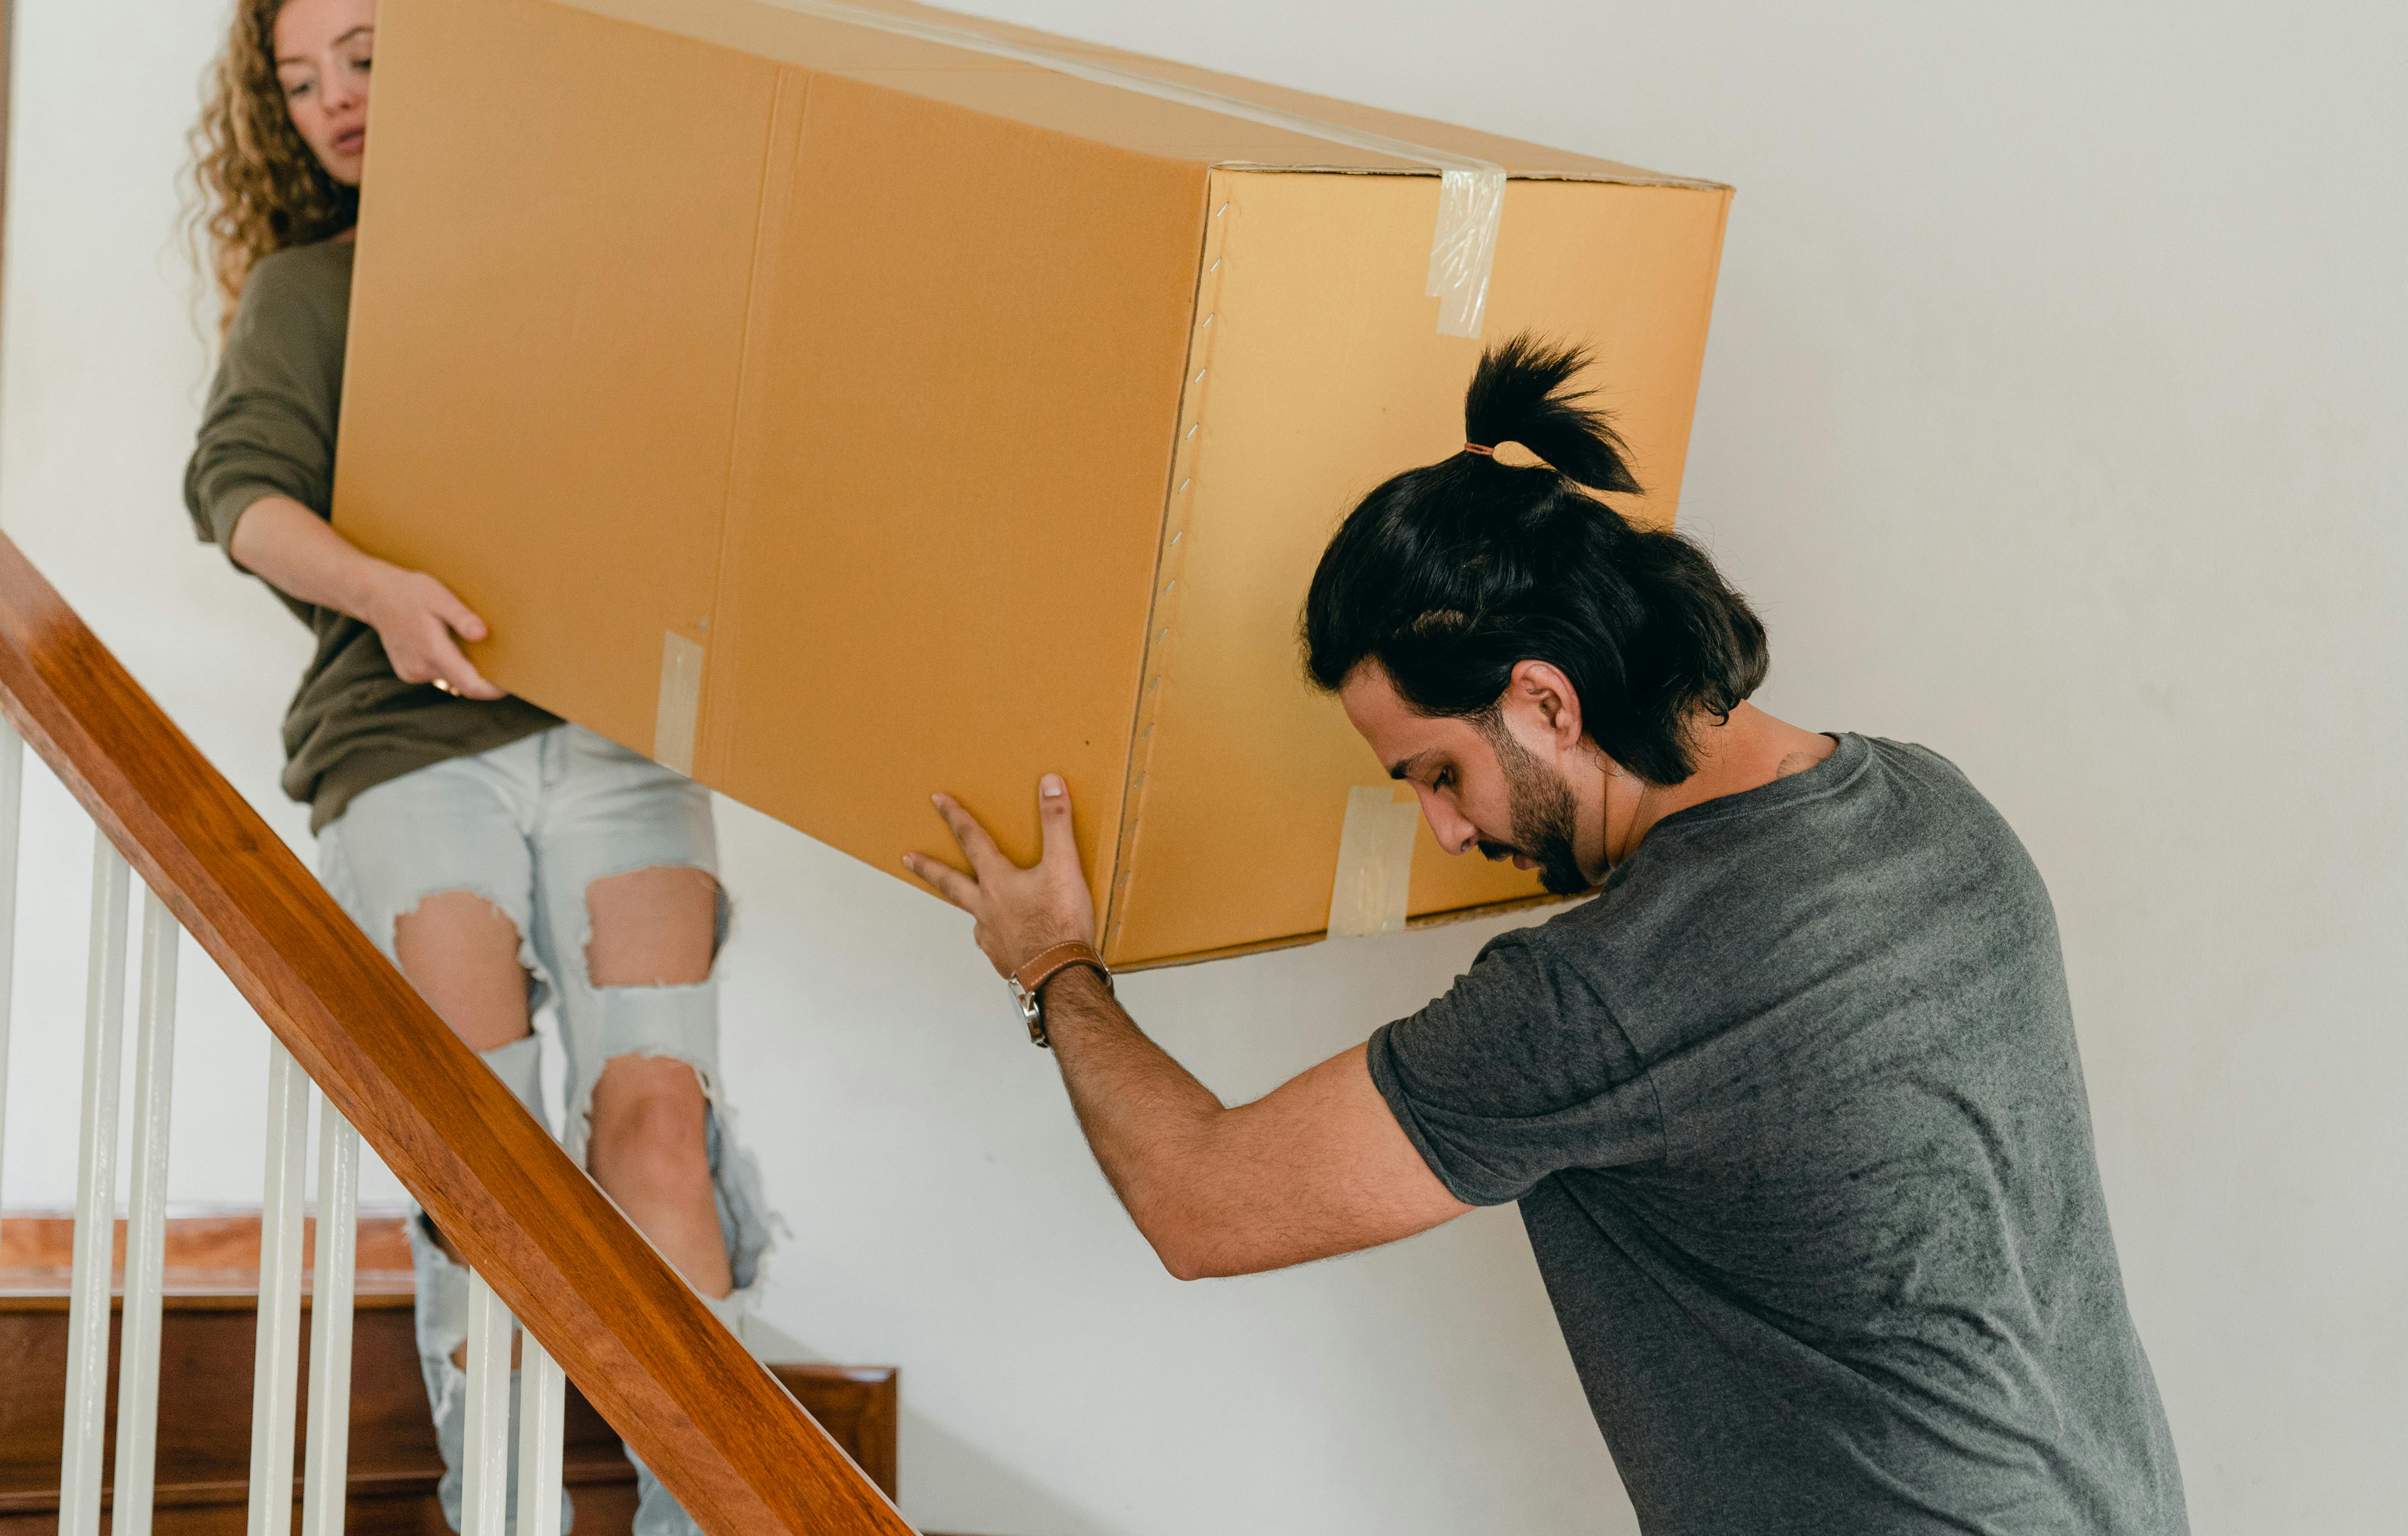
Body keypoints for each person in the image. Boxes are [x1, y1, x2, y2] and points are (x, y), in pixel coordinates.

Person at [906, 336, 2187, 1534]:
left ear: (1543, 699)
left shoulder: (1610, 996)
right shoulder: (1931, 805)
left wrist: (1050, 962)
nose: (1444, 834)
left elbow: (1202, 1206)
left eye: (1435, 774)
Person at [182, 0, 767, 1536]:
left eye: (364, 56)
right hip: (408, 755)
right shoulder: (311, 291)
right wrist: (379, 590)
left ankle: (704, 1510)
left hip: (623, 745)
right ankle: (496, 1510)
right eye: (300, 83)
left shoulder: (584, 258)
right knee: (488, 1155)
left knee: (659, 1118)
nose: (335, 102)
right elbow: (236, 498)